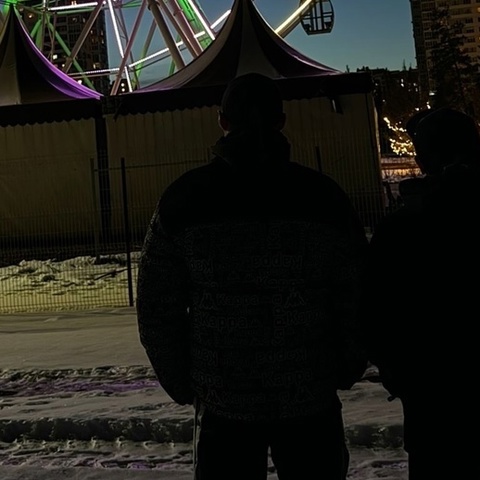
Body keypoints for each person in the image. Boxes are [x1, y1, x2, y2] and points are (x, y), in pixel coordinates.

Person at [136, 72, 368, 480]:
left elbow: (156, 304)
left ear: (222, 121)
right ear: (281, 121)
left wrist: (183, 381)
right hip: (309, 391)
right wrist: (347, 366)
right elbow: (358, 291)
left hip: (224, 397)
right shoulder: (323, 197)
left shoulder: (184, 199)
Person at [360, 107, 480, 479]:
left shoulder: (403, 226)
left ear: (424, 159)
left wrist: (396, 370)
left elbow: (375, 308)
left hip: (430, 391)